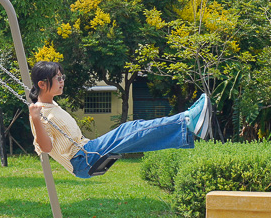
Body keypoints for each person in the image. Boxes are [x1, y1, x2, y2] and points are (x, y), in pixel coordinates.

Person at [28, 61, 210, 178]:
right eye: (57, 78)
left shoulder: (52, 106)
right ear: (42, 84)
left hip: (86, 151)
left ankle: (189, 131)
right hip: (82, 159)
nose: (62, 81)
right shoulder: (40, 114)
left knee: (137, 138)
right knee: (131, 129)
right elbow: (45, 148)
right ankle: (186, 121)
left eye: (62, 77)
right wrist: (36, 119)